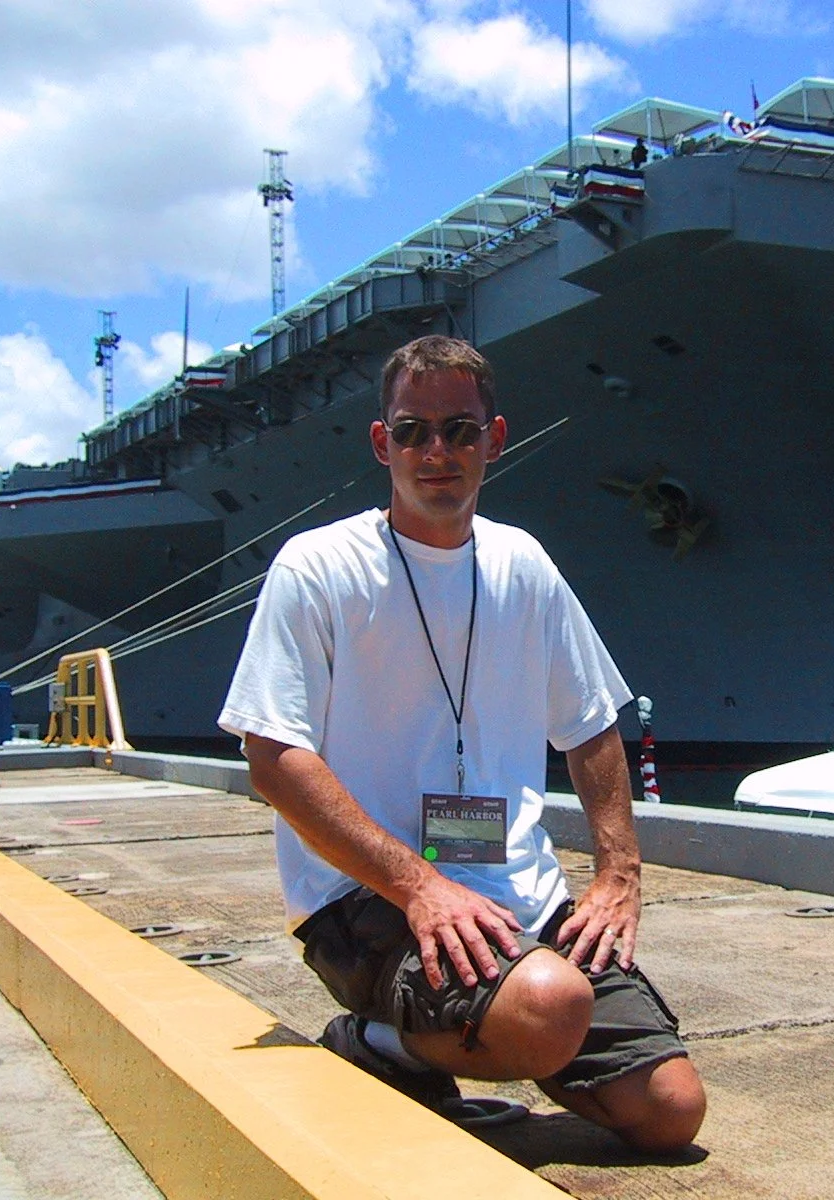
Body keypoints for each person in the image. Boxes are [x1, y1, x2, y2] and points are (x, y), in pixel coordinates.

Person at [219, 335, 706, 1152]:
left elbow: (590, 724)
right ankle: (375, 1042)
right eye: (413, 431)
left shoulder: (525, 564)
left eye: (460, 430)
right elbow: (274, 760)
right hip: (368, 900)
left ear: (496, 438)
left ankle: (502, 1023)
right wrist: (417, 887)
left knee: (670, 1111)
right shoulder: (319, 566)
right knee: (550, 1004)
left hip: (521, 893)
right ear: (383, 444)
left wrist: (619, 873)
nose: (436, 452)